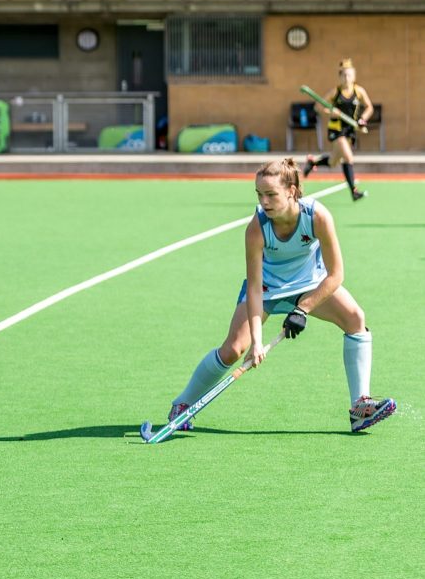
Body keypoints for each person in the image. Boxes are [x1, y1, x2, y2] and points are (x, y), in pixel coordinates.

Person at [164, 158, 396, 436]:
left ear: (292, 191)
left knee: (355, 318)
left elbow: (336, 275)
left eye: (271, 194)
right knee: (233, 349)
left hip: (310, 284)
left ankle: (360, 407)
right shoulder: (257, 228)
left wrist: (303, 308)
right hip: (267, 290)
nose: (264, 202)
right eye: (259, 195)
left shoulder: (317, 216)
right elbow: (253, 286)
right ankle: (183, 404)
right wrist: (257, 342)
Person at [303, 58, 374, 202]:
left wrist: (363, 120)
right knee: (348, 157)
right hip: (336, 129)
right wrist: (330, 112)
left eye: (349, 75)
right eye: (343, 75)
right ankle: (354, 191)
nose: (346, 78)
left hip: (350, 129)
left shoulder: (359, 91)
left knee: (333, 162)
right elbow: (318, 106)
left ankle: (313, 163)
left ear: (353, 76)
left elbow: (369, 107)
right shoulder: (335, 92)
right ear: (340, 77)